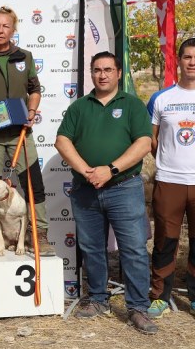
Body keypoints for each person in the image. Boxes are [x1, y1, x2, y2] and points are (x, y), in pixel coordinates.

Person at [55, 51, 157, 334]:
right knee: (91, 248)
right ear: (91, 73)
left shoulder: (133, 105)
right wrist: (88, 171)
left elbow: (143, 143)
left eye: (108, 69)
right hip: (85, 190)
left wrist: (109, 170)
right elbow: (62, 141)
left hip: (124, 188)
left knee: (133, 249)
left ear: (119, 73)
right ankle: (98, 298)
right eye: (97, 70)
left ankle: (137, 307)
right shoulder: (79, 107)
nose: (102, 74)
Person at [0, 6, 54, 256]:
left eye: (5, 26)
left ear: (13, 30)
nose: (0, 30)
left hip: (20, 132)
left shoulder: (25, 57)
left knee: (33, 184)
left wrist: (31, 111)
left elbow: (35, 89)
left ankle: (38, 233)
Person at [146, 38, 195, 318]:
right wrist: (164, 159)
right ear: (179, 61)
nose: (192, 62)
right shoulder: (162, 98)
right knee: (166, 240)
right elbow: (149, 138)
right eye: (187, 57)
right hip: (170, 179)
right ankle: (159, 295)